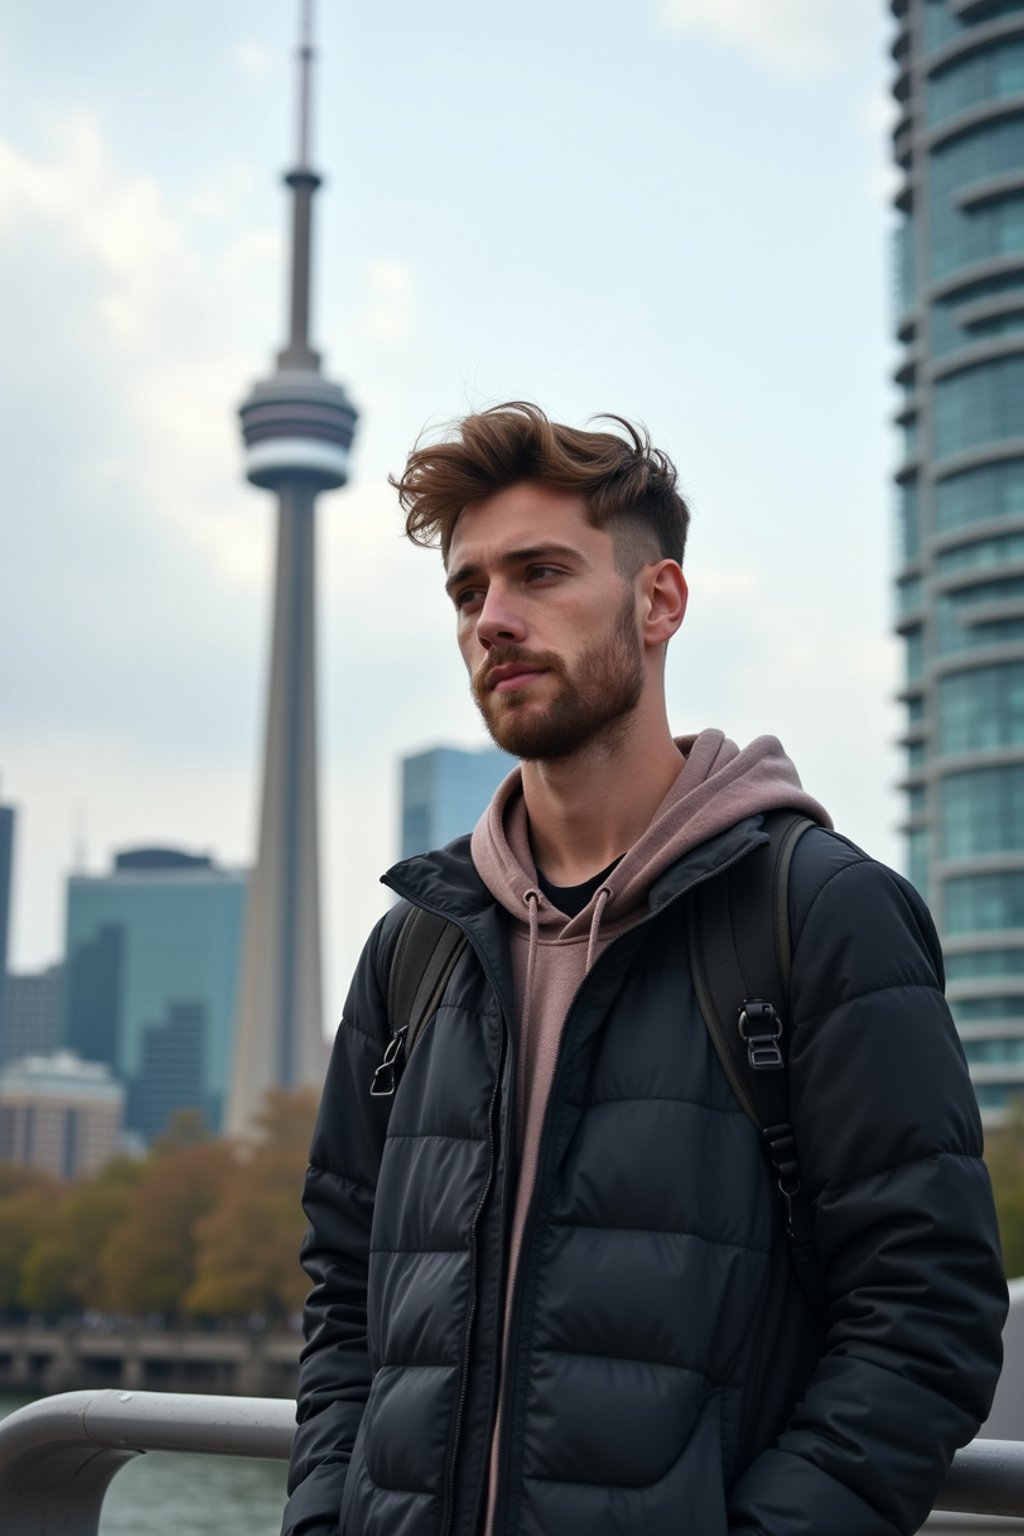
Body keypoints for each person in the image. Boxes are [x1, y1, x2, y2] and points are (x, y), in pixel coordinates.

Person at [282, 402, 1007, 1536]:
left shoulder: (815, 913)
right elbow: (343, 1297)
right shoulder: (415, 944)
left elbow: (927, 1314)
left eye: (539, 573)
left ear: (659, 601)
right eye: (468, 591)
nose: (494, 620)